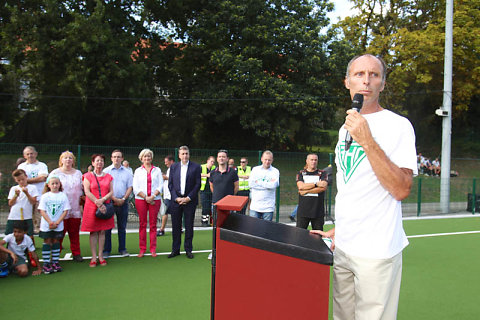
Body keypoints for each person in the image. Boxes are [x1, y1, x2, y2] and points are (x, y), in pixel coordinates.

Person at [311, 54, 417, 320]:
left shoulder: (399, 126)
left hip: (377, 250)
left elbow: (402, 189)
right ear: (347, 82)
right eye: (359, 74)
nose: (366, 81)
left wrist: (367, 139)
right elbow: (351, 185)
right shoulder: (344, 128)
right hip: (344, 244)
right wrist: (340, 228)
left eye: (374, 75)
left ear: (382, 84)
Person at [49, 151, 84, 262]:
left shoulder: (78, 173)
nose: (68, 160)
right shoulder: (55, 173)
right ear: (61, 160)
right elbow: (48, 187)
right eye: (65, 158)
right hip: (60, 208)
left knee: (74, 233)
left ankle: (76, 253)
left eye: (70, 158)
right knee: (59, 233)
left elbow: (83, 189)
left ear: (73, 160)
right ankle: (56, 254)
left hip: (75, 207)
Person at [168, 146, 201, 259]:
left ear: (189, 154)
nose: (185, 156)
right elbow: (170, 185)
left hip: (189, 201)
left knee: (189, 226)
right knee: (176, 226)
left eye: (186, 153)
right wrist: (176, 198)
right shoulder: (173, 167)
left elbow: (198, 184)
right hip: (176, 201)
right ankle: (175, 250)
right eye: (182, 154)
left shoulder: (196, 167)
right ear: (179, 155)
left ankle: (188, 249)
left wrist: (188, 198)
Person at [81, 154, 114, 267]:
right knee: (93, 231)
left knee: (102, 231)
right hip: (92, 206)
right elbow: (87, 191)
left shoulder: (108, 176)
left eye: (101, 161)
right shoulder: (87, 176)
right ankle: (94, 256)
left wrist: (103, 200)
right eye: (97, 161)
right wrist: (97, 202)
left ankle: (101, 255)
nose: (99, 163)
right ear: (93, 163)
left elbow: (111, 191)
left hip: (105, 206)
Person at [133, 149, 163, 257]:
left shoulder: (157, 170)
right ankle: (142, 248)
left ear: (152, 158)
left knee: (153, 224)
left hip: (155, 199)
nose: (147, 158)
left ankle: (153, 248)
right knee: (142, 224)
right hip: (141, 199)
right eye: (145, 157)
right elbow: (135, 188)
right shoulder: (137, 171)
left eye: (149, 156)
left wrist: (153, 196)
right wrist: (146, 197)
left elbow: (161, 185)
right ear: (141, 158)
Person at [103, 149, 133, 257]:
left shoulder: (127, 172)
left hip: (123, 202)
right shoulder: (106, 171)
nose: (116, 158)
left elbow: (130, 187)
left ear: (122, 158)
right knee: (107, 228)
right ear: (111, 158)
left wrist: (124, 199)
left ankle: (122, 249)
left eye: (118, 157)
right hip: (109, 202)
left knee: (122, 227)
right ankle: (106, 250)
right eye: (114, 156)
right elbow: (104, 188)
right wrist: (114, 198)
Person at [38, 176, 70, 274]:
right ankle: (46, 263)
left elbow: (65, 211)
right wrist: (49, 222)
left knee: (56, 241)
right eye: (52, 183)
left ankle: (55, 261)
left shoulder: (63, 196)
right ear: (48, 185)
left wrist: (57, 222)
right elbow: (42, 211)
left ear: (60, 184)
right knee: (47, 241)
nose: (55, 185)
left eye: (57, 183)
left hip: (58, 225)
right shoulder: (45, 196)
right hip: (46, 225)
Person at [17, 146, 48, 234]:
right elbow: (19, 180)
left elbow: (42, 178)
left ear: (36, 154)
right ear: (24, 156)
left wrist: (26, 180)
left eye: (32, 153)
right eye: (28, 154)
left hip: (39, 196)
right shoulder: (21, 166)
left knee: (39, 219)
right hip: (25, 196)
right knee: (26, 218)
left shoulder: (42, 165)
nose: (30, 155)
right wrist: (31, 180)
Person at [295, 153, 328, 230]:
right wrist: (316, 184)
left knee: (317, 237)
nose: (313, 162)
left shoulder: (322, 173)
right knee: (299, 235)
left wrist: (305, 191)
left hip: (318, 211)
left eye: (315, 160)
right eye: (311, 160)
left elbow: (323, 187)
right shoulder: (301, 173)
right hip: (303, 211)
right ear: (307, 161)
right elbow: (301, 186)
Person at [248, 150, 280, 221]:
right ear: (261, 159)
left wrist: (258, 182)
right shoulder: (255, 170)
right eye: (265, 159)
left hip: (268, 207)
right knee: (253, 229)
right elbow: (251, 184)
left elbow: (273, 185)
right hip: (255, 206)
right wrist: (267, 185)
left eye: (269, 160)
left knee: (266, 230)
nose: (267, 162)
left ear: (272, 160)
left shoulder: (275, 171)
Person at [7, 169, 39, 237]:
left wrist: (26, 193)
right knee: (10, 236)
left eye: (23, 179)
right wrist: (16, 195)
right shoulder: (14, 188)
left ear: (26, 177)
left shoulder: (32, 188)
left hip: (27, 216)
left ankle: (29, 247)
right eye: (19, 180)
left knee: (29, 236)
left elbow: (33, 202)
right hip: (14, 216)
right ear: (16, 180)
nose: (21, 181)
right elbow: (10, 203)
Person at [157, 155, 175, 236]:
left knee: (165, 212)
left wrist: (164, 177)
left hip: (170, 195)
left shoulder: (173, 168)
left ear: (171, 161)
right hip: (168, 195)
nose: (165, 163)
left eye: (166, 161)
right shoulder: (170, 168)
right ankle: (179, 228)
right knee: (174, 212)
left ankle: (162, 229)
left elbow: (173, 178)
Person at [200, 156, 216, 226]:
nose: (212, 163)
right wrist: (207, 175)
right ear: (207, 161)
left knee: (210, 206)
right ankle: (204, 221)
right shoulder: (202, 167)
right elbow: (198, 174)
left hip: (211, 190)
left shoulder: (214, 168)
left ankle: (210, 221)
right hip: (203, 190)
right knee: (205, 206)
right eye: (211, 161)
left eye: (213, 162)